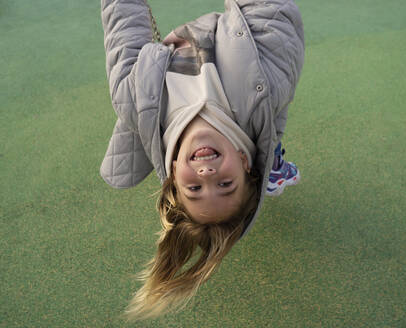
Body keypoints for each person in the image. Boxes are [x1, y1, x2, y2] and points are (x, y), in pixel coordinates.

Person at [100, 0, 304, 319]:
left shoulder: (133, 100)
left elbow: (122, 20)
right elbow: (272, 9)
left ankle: (268, 166)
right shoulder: (270, 84)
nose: (207, 173)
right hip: (254, 108)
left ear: (173, 175)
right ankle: (271, 164)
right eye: (225, 184)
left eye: (194, 188)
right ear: (244, 165)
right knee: (267, 130)